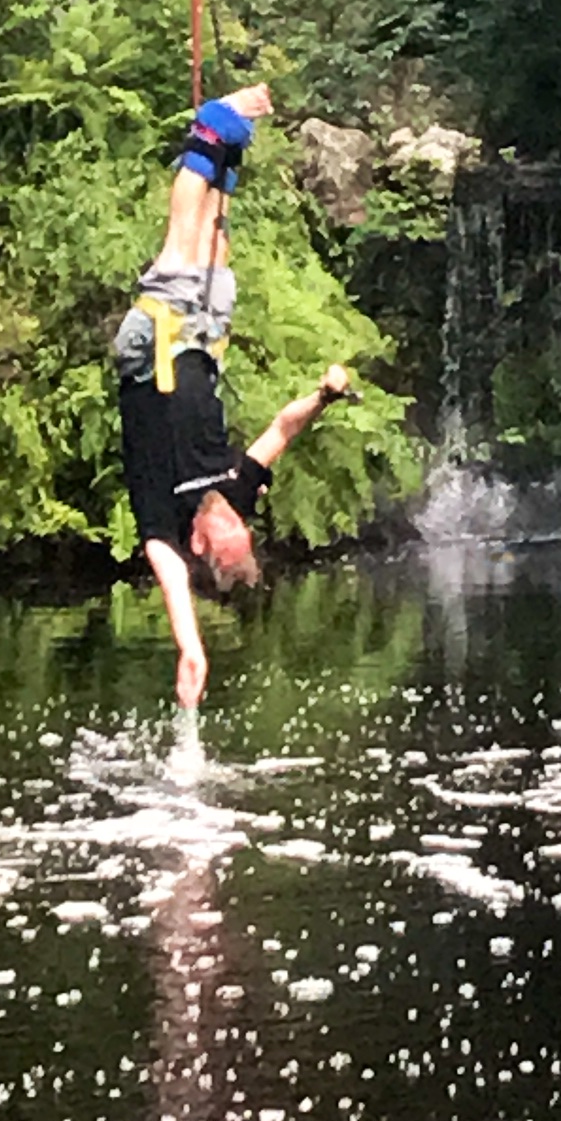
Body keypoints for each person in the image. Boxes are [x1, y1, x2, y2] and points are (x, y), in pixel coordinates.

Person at [116, 85, 353, 711]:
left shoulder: (164, 526)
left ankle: (211, 131)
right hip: (201, 347)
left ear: (202, 544)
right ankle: (223, 162)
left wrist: (191, 648)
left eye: (229, 535)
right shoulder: (237, 493)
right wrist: (324, 399)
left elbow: (172, 587)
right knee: (218, 253)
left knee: (185, 247)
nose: (237, 522)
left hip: (153, 351)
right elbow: (281, 430)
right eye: (243, 531)